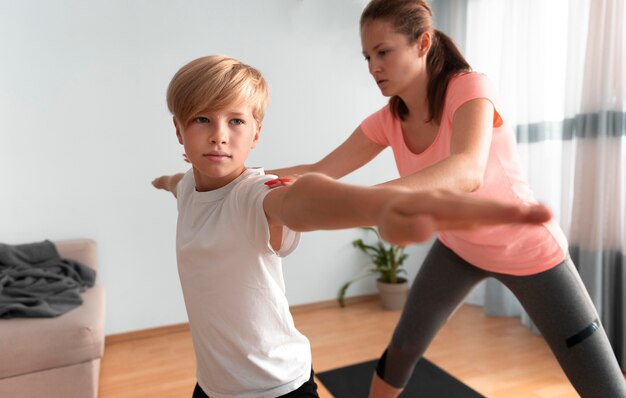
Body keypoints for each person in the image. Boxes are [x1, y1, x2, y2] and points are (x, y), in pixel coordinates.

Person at [267, 0, 626, 397]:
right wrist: (245, 179)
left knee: (603, 385)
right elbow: (322, 169)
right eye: (368, 56)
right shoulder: (388, 120)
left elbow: (467, 171)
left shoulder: (469, 87)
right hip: (459, 248)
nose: (373, 67)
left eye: (383, 52)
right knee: (403, 347)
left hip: (528, 250)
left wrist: (367, 200)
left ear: (422, 43)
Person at [152, 54, 552, 398]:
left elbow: (305, 202)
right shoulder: (187, 186)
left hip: (274, 388)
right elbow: (178, 183)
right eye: (203, 119)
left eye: (236, 121)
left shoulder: (256, 195)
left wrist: (376, 206)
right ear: (179, 130)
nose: (220, 136)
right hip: (212, 386)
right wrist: (164, 181)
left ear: (256, 134)